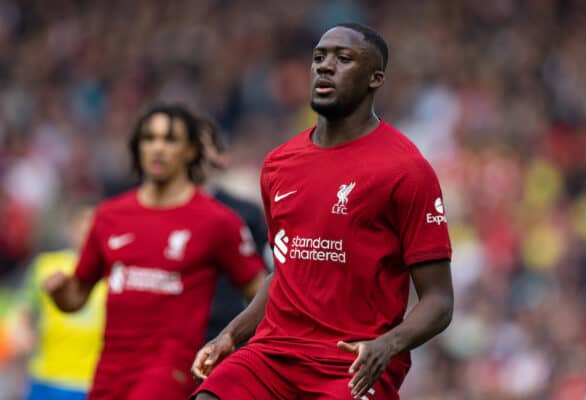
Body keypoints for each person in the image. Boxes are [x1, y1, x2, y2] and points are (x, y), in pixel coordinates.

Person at [191, 23, 454, 400]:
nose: (325, 67)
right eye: (319, 57)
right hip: (272, 356)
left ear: (375, 78)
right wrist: (230, 335)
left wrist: (387, 345)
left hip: (354, 364)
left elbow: (440, 301)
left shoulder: (407, 170)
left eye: (344, 59)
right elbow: (286, 273)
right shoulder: (279, 164)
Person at [44, 104, 266, 399]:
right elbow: (77, 297)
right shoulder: (110, 216)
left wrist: (243, 352)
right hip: (109, 372)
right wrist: (60, 292)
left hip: (169, 375)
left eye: (170, 139)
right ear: (137, 147)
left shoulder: (218, 221)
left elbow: (260, 291)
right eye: (149, 138)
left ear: (190, 150)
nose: (158, 148)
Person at [13, 201, 105, 400]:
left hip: (94, 380)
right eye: (81, 225)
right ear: (70, 229)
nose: (86, 232)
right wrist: (23, 332)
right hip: (48, 377)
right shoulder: (46, 266)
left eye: (92, 225)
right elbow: (23, 308)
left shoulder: (113, 272)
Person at [197, 116, 270, 341]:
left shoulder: (244, 213)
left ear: (221, 155)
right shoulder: (153, 213)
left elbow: (265, 279)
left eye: (202, 144)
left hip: (228, 336)